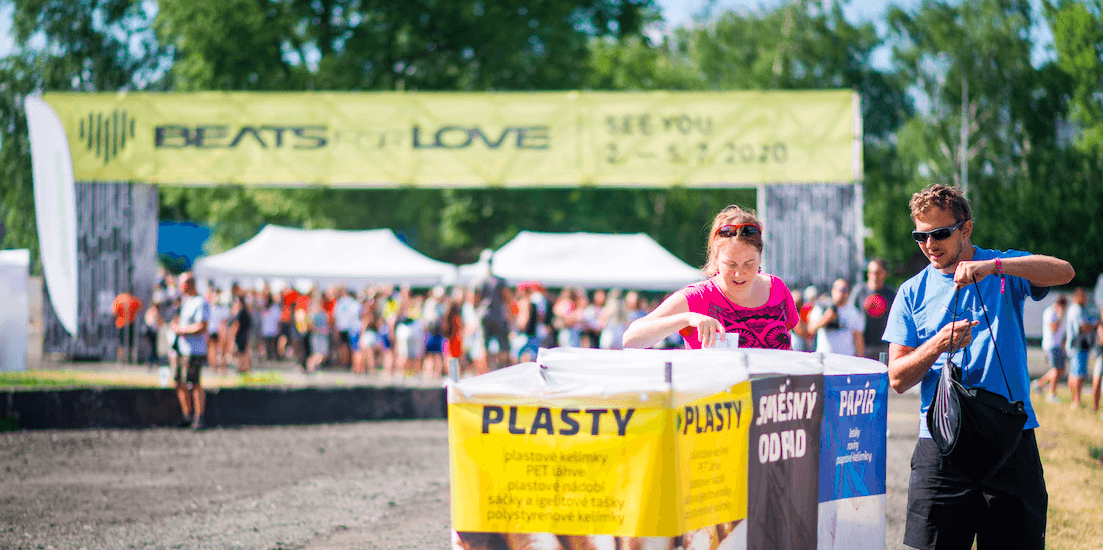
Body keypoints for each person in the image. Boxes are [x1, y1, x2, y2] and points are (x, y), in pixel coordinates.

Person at [883, 184, 1074, 550]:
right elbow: (897, 378)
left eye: (940, 233)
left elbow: (1063, 272)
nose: (930, 244)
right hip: (942, 443)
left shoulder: (1002, 269)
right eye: (920, 236)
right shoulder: (911, 292)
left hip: (1009, 438)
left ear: (966, 228)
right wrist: (938, 344)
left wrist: (994, 267)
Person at [623, 204, 798, 350]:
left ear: (760, 256)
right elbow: (631, 338)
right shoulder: (698, 297)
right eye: (731, 265)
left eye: (749, 264)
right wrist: (687, 318)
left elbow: (788, 350)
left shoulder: (777, 288)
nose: (739, 273)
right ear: (716, 258)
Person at [170, 272, 211, 431]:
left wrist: (182, 330)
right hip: (181, 349)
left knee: (194, 383)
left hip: (194, 351)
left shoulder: (201, 302)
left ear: (187, 284)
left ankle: (199, 417)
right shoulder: (186, 302)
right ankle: (187, 415)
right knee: (178, 381)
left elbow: (202, 326)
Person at [474, 250, 514, 370]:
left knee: (484, 346)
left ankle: (486, 372)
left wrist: (479, 312)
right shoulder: (500, 281)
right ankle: (503, 370)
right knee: (504, 346)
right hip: (498, 316)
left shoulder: (478, 281)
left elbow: (474, 302)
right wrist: (511, 317)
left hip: (484, 316)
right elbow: (508, 299)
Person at [852, 258, 896, 361]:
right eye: (870, 272)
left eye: (877, 272)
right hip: (862, 346)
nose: (873, 276)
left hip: (883, 346)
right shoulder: (859, 291)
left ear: (885, 273)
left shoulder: (891, 293)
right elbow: (851, 314)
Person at [807, 278, 864, 356]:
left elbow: (858, 337)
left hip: (846, 358)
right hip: (825, 358)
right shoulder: (822, 307)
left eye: (844, 290)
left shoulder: (853, 311)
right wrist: (825, 319)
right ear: (833, 291)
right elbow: (810, 329)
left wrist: (860, 358)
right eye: (839, 289)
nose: (841, 293)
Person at [1064, 287, 1098, 408]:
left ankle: (1074, 399)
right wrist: (1095, 326)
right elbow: (1083, 327)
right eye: (1084, 297)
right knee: (1078, 375)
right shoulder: (1077, 309)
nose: (1086, 299)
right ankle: (1077, 401)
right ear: (1078, 297)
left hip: (1074, 345)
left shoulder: (1073, 309)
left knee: (1073, 373)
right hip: (1079, 345)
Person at [1032, 295, 1068, 403]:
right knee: (1056, 369)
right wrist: (1060, 316)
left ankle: (1039, 383)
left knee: (1060, 369)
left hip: (1058, 345)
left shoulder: (1057, 313)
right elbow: (1054, 328)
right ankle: (1051, 394)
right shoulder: (1050, 313)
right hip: (1051, 345)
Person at [112, 291, 143, 363]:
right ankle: (131, 359)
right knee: (131, 343)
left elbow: (113, 312)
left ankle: (120, 359)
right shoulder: (133, 299)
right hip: (130, 322)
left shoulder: (119, 299)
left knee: (120, 343)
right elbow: (140, 307)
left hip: (120, 323)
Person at [228, 295, 252, 374]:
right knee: (244, 353)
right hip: (244, 335)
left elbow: (236, 325)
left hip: (241, 336)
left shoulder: (241, 312)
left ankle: (243, 368)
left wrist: (232, 335)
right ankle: (244, 368)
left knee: (241, 353)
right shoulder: (246, 312)